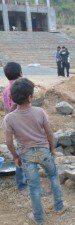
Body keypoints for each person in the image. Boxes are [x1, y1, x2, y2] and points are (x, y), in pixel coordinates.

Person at [3, 78, 66, 225]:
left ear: (12, 98)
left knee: (34, 187)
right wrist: (51, 148)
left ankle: (38, 219)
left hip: (26, 155)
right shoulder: (40, 112)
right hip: (44, 152)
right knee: (53, 176)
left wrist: (15, 157)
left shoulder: (9, 118)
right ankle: (59, 206)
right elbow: (49, 134)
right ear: (30, 97)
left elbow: (9, 142)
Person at [2, 62, 27, 192]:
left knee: (20, 151)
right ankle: (23, 183)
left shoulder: (6, 90)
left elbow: (6, 108)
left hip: (12, 123)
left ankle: (23, 182)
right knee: (23, 152)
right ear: (20, 73)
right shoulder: (19, 88)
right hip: (21, 123)